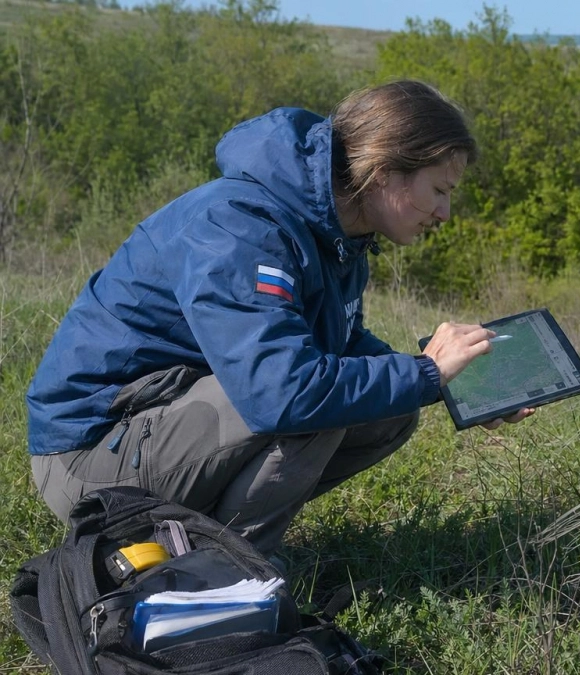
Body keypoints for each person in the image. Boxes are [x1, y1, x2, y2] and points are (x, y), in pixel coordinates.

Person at [25, 80, 533, 556]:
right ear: (383, 171)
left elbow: (344, 346)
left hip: (160, 426)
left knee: (389, 405)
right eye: (440, 190)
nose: (445, 213)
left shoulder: (337, 235)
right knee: (316, 405)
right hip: (88, 460)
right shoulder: (240, 226)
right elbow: (282, 393)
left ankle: (208, 547)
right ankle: (229, 574)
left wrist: (455, 383)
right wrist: (423, 372)